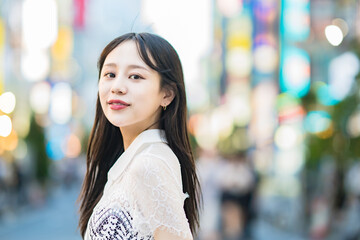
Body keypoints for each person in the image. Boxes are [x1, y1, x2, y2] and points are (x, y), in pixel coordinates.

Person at [78, 32, 201, 240]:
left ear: (167, 94)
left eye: (135, 76)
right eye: (110, 74)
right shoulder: (135, 160)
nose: (117, 87)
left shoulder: (149, 164)